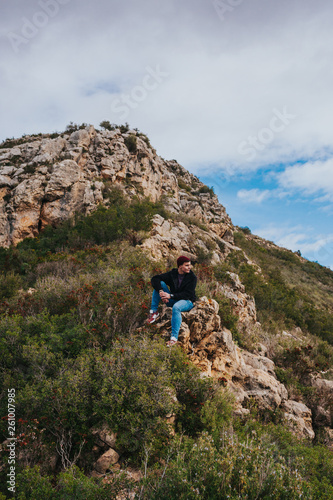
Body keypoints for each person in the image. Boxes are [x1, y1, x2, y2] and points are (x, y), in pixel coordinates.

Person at [147, 256, 197, 347]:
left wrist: (170, 296)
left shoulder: (192, 277)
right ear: (180, 266)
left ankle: (174, 338)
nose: (189, 267)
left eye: (189, 265)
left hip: (187, 302)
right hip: (173, 299)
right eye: (187, 265)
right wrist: (161, 292)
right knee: (159, 285)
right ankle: (154, 312)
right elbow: (155, 278)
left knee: (176, 307)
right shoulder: (173, 274)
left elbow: (188, 294)